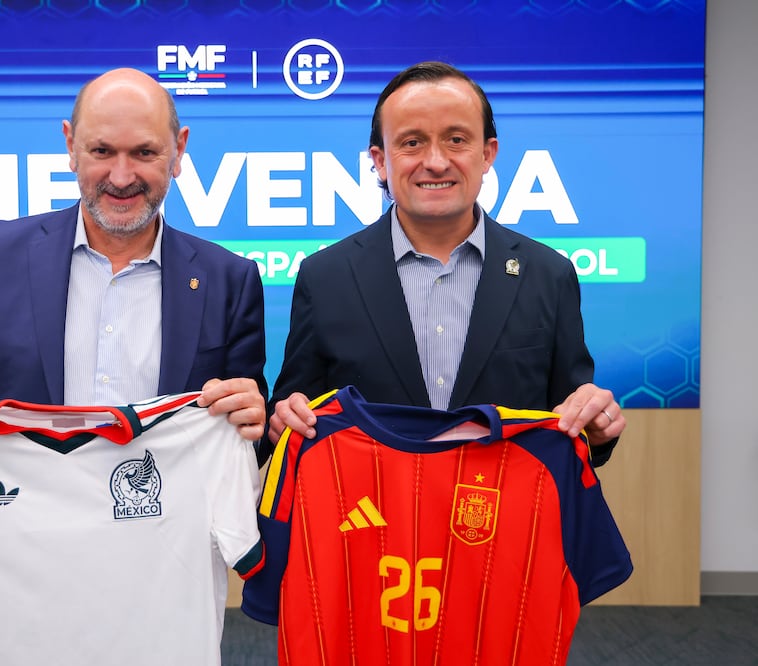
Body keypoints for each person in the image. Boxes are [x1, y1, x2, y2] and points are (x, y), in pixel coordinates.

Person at [0, 68, 267, 443]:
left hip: (170, 520)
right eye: (102, 151)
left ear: (178, 151)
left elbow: (245, 439)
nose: (122, 177)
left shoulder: (230, 280)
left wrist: (256, 423)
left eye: (144, 153)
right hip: (23, 517)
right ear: (71, 146)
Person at [266, 61, 624, 465]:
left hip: (503, 521)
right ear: (380, 160)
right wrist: (281, 421)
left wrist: (597, 429)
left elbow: (573, 426)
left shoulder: (548, 275)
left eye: (456, 140)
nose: (435, 162)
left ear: (487, 153)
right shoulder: (326, 277)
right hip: (372, 520)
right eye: (412, 142)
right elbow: (289, 416)